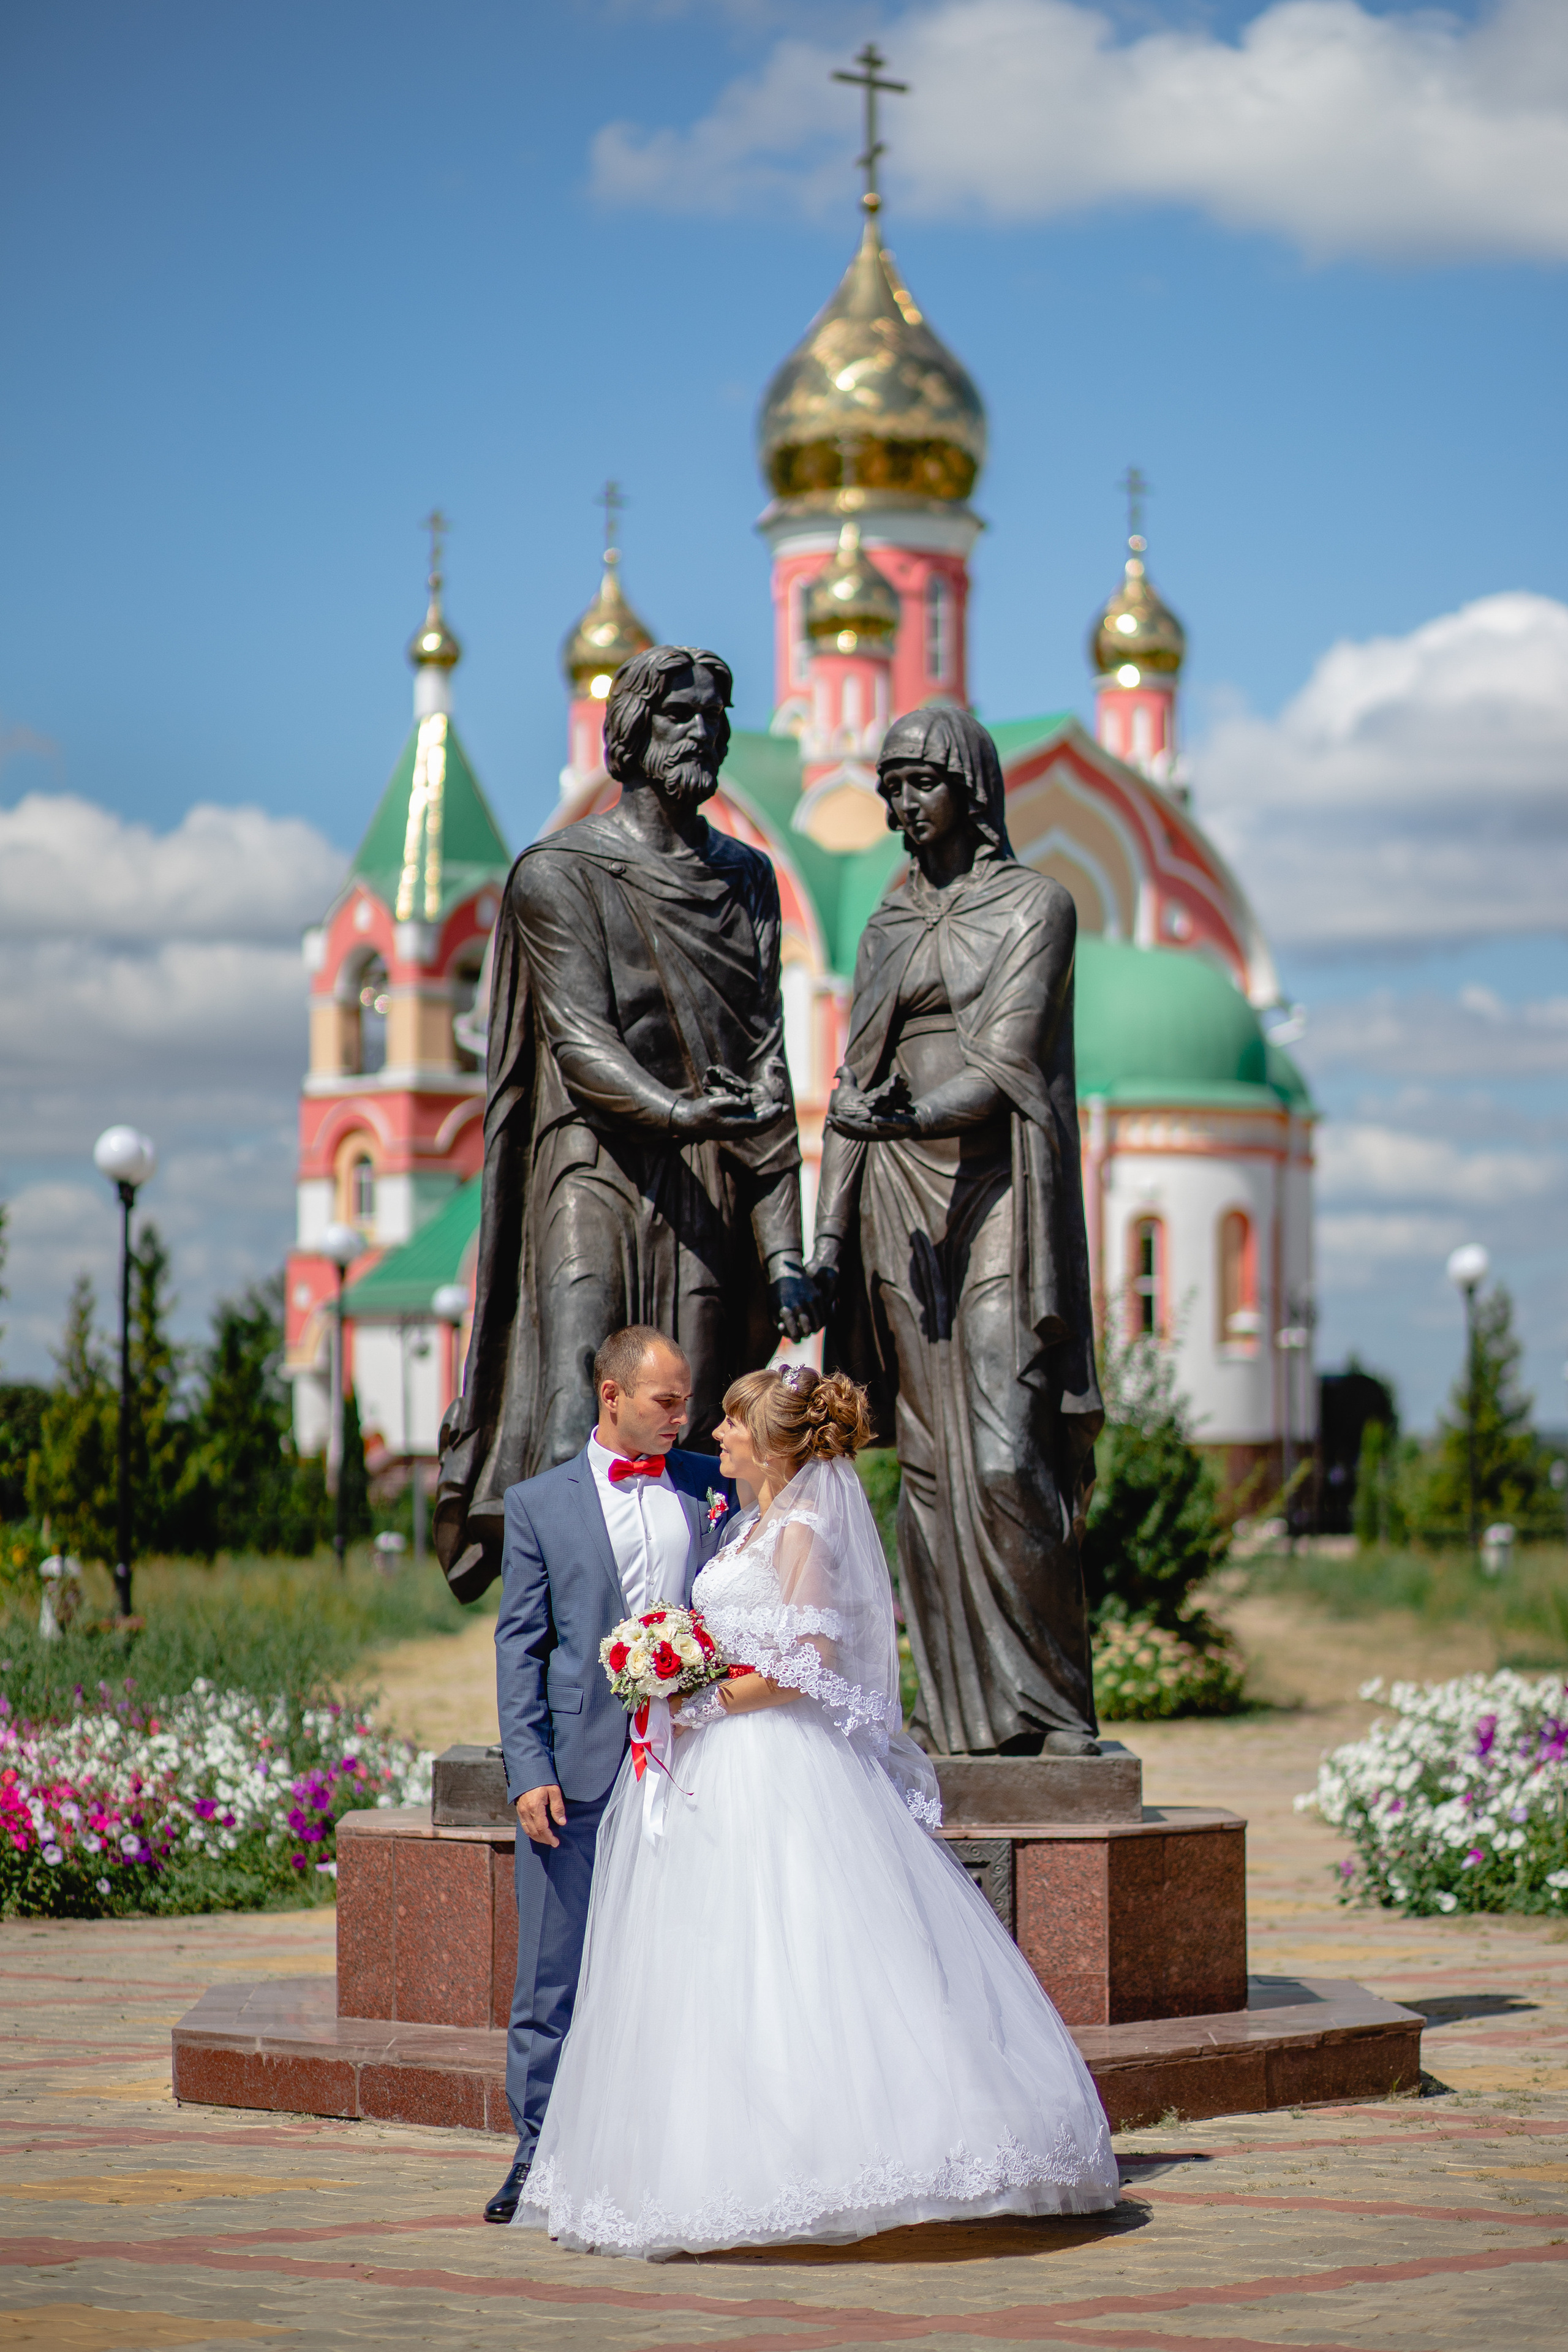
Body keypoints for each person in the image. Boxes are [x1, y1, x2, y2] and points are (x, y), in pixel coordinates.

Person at [513, 1363, 1118, 2257]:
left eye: (728, 1425)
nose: (713, 1436)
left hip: (775, 1765)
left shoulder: (800, 1529)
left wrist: (696, 1701)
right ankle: (717, 2157)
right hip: (716, 1768)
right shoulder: (752, 1523)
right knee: (716, 1964)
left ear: (766, 1444)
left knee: (802, 1952)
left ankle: (853, 2156)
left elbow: (809, 1663)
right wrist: (678, 1672)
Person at [435, 644, 819, 1603]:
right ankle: (566, 1645)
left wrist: (784, 1254)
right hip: (593, 1172)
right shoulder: (559, 873)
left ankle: (676, 1646)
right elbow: (582, 1044)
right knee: (583, 1398)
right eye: (679, 714)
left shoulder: (748, 882)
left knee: (684, 1422)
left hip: (704, 1192)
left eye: (713, 716)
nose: (702, 731)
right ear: (631, 734)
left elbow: (766, 1071)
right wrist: (684, 1110)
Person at [808, 704, 1104, 1757]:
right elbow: (852, 1088)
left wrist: (914, 1114)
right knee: (928, 1476)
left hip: (998, 1205)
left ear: (969, 790)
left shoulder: (1037, 906)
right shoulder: (887, 923)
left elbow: (1010, 1061)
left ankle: (1053, 1708)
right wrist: (826, 1250)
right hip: (899, 1208)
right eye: (886, 788)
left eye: (916, 785)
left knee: (1005, 1459)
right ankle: (958, 1714)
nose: (897, 808)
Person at [483, 1325, 732, 2226]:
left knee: (686, 1969)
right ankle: (535, 2156)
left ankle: (668, 2157)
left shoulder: (712, 1486)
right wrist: (528, 1769)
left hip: (693, 1766)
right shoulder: (538, 1504)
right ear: (612, 1395)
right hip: (578, 1775)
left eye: (687, 1400)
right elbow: (522, 1648)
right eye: (666, 1400)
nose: (682, 1416)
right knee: (551, 1979)